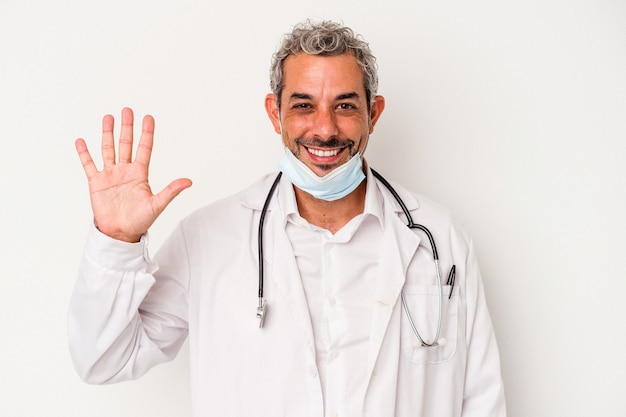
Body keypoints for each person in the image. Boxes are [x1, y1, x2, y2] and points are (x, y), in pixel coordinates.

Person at [68, 20, 507, 417]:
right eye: (303, 105)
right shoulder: (207, 238)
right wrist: (117, 241)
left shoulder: (439, 238)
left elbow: (482, 399)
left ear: (373, 114)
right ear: (275, 113)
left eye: (346, 106)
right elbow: (104, 358)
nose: (324, 129)